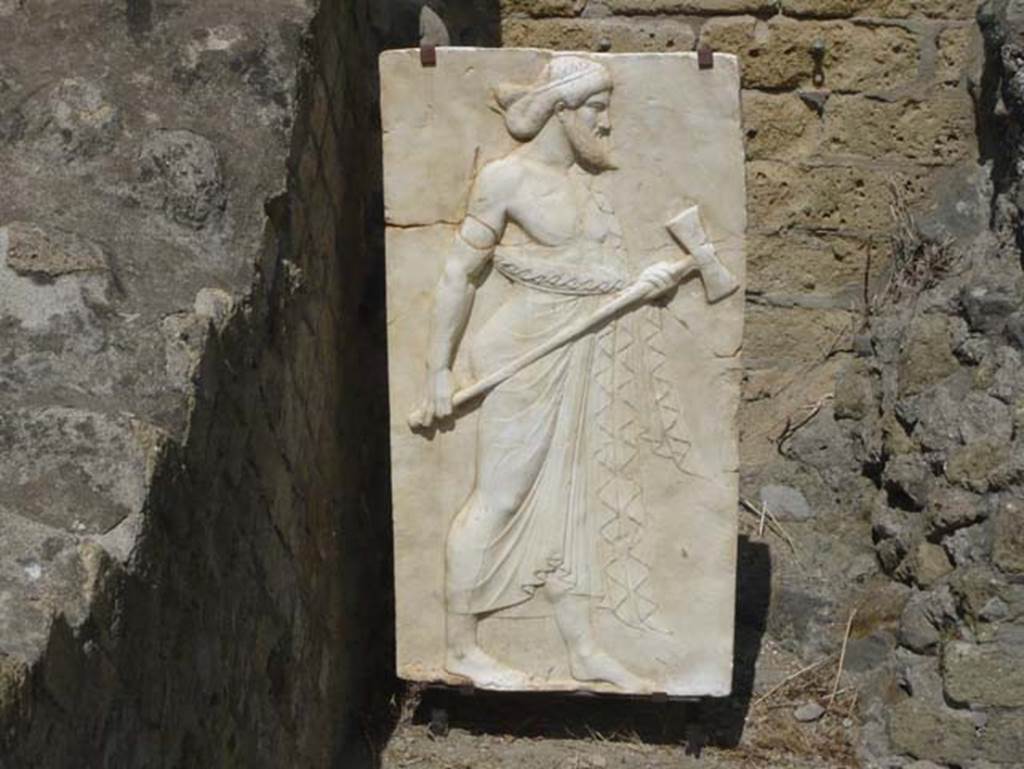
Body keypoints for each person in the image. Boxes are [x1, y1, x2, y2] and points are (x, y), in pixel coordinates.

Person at [410, 56, 684, 690]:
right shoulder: (506, 179)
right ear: (562, 109)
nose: (608, 124)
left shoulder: (591, 187)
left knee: (572, 503)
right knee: (500, 497)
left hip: (577, 350)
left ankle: (583, 649)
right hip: (524, 352)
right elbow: (458, 275)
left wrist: (647, 281)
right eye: (596, 109)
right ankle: (458, 647)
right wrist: (437, 371)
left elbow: (599, 275)